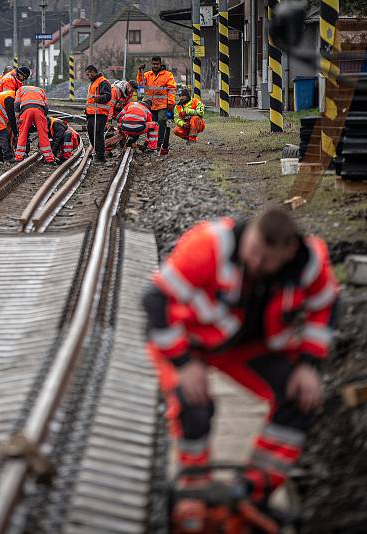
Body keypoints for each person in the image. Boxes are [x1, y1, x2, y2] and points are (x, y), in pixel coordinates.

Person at [142, 208, 338, 530]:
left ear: (289, 252)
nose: (258, 263)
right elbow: (155, 301)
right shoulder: (209, 246)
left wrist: (308, 365)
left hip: (246, 346)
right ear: (249, 235)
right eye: (254, 251)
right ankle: (194, 494)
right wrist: (183, 364)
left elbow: (326, 306)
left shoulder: (309, 262)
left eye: (268, 259)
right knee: (195, 406)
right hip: (188, 342)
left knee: (299, 399)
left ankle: (251, 494)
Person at [137, 56, 176, 155]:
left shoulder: (167, 75)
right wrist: (139, 71)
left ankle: (160, 142)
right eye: (153, 64)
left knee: (162, 121)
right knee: (152, 124)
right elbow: (140, 83)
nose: (155, 66)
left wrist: (171, 102)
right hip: (150, 104)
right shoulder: (147, 75)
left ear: (160, 64)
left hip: (162, 104)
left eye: (157, 64)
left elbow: (171, 89)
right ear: (151, 64)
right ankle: (151, 143)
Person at [13, 84, 55, 163]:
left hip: (26, 111)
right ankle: (49, 158)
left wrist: (18, 116)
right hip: (39, 110)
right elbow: (46, 107)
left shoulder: (20, 89)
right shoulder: (41, 90)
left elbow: (17, 104)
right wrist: (43, 116)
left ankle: (19, 157)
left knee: (23, 133)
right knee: (43, 134)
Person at [84, 65, 112, 162]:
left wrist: (99, 99)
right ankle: (97, 151)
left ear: (94, 72)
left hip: (100, 113)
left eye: (90, 73)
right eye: (87, 74)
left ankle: (100, 156)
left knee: (98, 134)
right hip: (91, 113)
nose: (89, 76)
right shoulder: (93, 83)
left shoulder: (103, 82)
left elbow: (108, 96)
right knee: (91, 134)